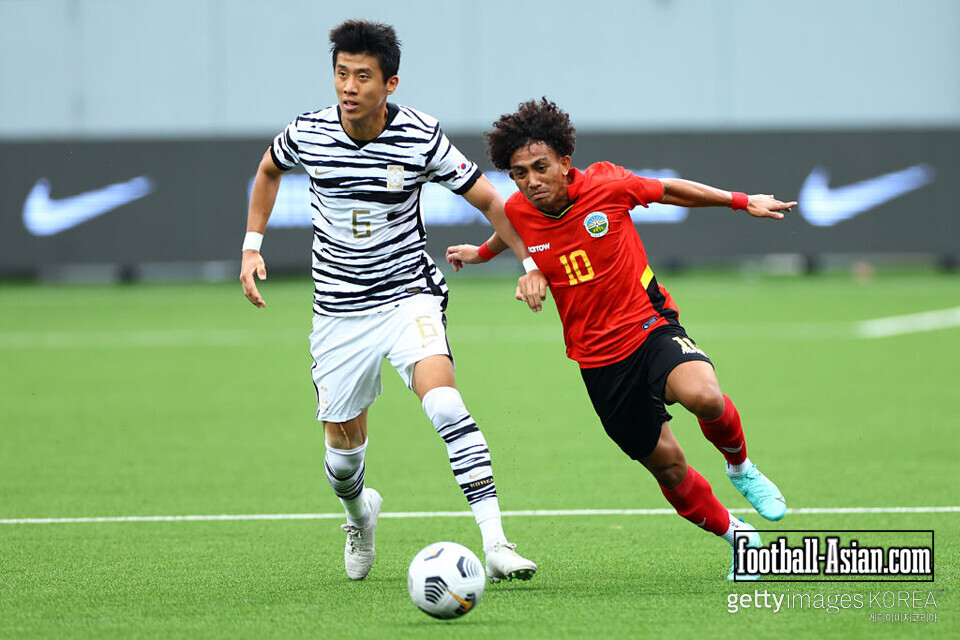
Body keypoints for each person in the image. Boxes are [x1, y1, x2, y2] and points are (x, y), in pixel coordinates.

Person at [239, 20, 545, 583]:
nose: (348, 87)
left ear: (391, 83)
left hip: (409, 295)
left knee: (446, 405)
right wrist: (251, 247)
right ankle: (360, 516)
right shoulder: (306, 133)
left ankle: (497, 542)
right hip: (337, 312)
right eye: (340, 74)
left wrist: (529, 263)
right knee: (342, 453)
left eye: (362, 76)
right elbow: (267, 170)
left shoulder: (421, 136)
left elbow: (489, 199)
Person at [447, 98, 795, 580]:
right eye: (519, 172)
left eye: (540, 167)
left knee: (704, 395)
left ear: (565, 162)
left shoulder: (607, 184)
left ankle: (740, 468)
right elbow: (511, 232)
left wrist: (742, 201)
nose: (531, 180)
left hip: (650, 326)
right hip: (598, 363)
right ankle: (739, 538)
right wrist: (483, 255)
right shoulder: (520, 211)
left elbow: (670, 189)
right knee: (669, 468)